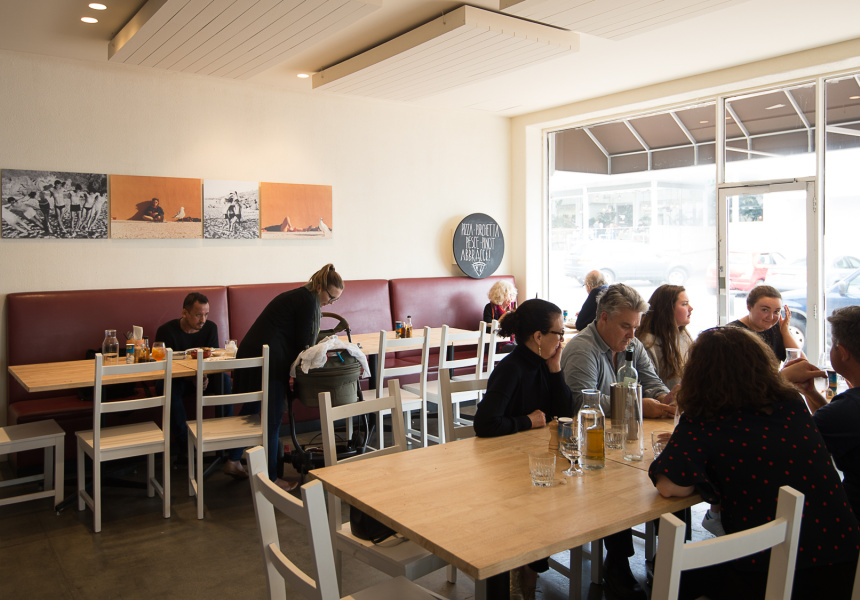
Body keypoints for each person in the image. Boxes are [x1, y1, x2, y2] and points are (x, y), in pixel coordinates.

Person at [649, 326, 859, 600]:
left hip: (773, 575)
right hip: (844, 566)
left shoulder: (704, 419)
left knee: (666, 572)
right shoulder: (792, 405)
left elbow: (670, 486)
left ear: (698, 374)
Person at [559, 283, 675, 600]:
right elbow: (583, 403)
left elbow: (651, 382)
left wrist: (667, 398)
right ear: (604, 318)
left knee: (674, 469)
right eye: (626, 326)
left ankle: (670, 555)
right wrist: (635, 404)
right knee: (620, 486)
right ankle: (618, 565)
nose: (632, 335)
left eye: (635, 327)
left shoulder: (631, 344)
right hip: (585, 447)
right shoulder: (583, 349)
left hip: (625, 441)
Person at [473, 298, 574, 600]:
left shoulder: (544, 363)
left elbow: (564, 414)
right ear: (539, 336)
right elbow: (485, 423)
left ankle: (528, 571)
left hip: (532, 457)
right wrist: (527, 421)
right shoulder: (512, 369)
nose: (562, 340)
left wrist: (555, 370)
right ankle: (522, 576)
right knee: (541, 500)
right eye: (558, 333)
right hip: (503, 467)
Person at [223, 264, 344, 490]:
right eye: (331, 297)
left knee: (252, 408)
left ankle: (233, 460)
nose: (331, 303)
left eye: (336, 300)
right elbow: (303, 343)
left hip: (253, 355)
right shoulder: (308, 302)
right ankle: (271, 479)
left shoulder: (301, 296)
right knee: (272, 418)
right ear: (320, 287)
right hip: (267, 361)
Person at [790, 306, 860, 515]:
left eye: (833, 344)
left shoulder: (847, 409)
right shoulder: (845, 411)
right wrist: (811, 394)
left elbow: (785, 444)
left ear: (843, 352)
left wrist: (780, 381)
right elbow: (838, 427)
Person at [154, 292, 228, 466]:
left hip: (203, 377)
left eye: (206, 314)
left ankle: (226, 442)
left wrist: (204, 376)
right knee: (166, 386)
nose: (203, 320)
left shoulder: (210, 328)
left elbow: (213, 358)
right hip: (178, 379)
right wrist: (192, 378)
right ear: (184, 313)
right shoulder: (166, 331)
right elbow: (164, 366)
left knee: (224, 380)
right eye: (198, 315)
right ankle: (185, 446)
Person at [635, 285, 693, 390]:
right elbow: (649, 386)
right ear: (668, 309)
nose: (691, 308)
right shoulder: (648, 343)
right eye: (684, 304)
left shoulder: (684, 335)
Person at [728, 285, 800, 362]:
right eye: (765, 310)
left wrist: (785, 332)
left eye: (776, 311)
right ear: (749, 307)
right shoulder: (731, 333)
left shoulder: (777, 329)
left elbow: (801, 364)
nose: (771, 317)